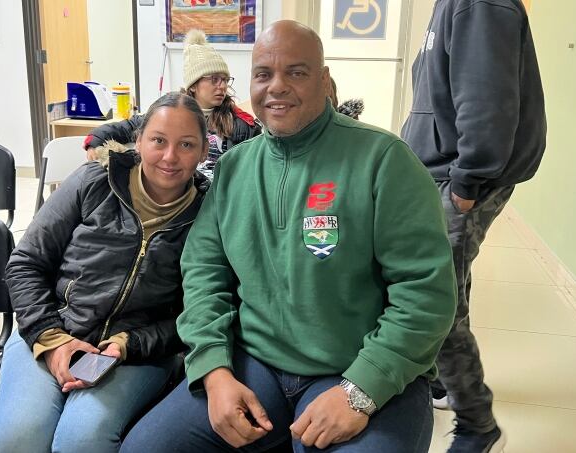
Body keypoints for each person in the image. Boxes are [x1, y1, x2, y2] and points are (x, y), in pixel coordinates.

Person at [121, 20, 457, 452]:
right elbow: (204, 273)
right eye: (263, 74)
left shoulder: (384, 161)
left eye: (296, 72)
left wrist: (362, 390)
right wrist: (214, 371)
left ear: (324, 79)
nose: (277, 86)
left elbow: (426, 293)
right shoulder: (234, 168)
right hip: (257, 364)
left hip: (359, 367)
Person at [0, 92, 211, 453]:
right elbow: (26, 263)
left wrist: (129, 345)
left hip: (135, 353)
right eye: (158, 140)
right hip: (51, 329)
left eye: (186, 145)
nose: (170, 157)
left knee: (82, 439)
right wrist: (51, 338)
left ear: (204, 151)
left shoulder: (208, 213)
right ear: (138, 141)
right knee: (21, 437)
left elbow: (196, 312)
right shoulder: (93, 181)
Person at [400, 0, 546, 451]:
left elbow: (487, 95)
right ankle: (444, 381)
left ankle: (478, 423)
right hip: (441, 170)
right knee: (449, 284)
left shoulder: (479, 3)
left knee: (432, 296)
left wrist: (468, 178)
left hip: (460, 175)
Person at [84, 29, 261, 179]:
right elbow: (129, 126)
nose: (222, 86)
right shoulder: (169, 111)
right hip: (177, 195)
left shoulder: (239, 123)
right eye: (214, 79)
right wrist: (96, 141)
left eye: (225, 80)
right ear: (194, 85)